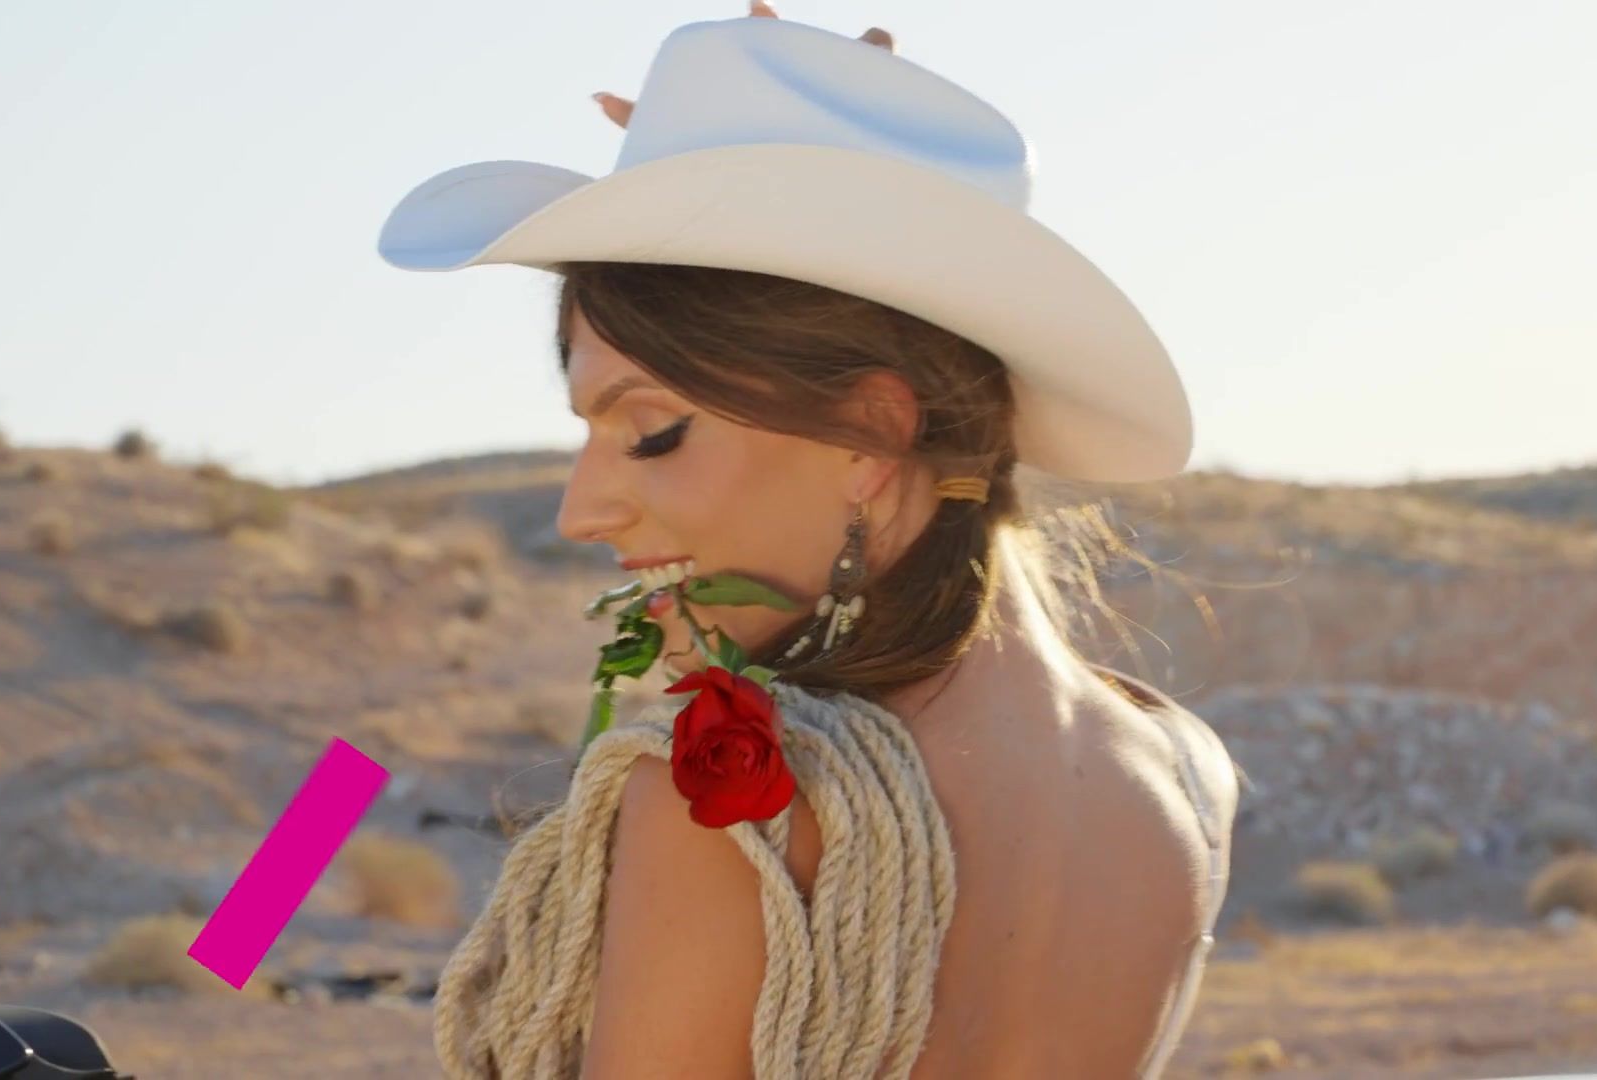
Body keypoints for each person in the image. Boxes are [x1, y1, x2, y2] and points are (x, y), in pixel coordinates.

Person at [377, 4, 1240, 1077]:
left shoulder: (735, 802)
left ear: (872, 430)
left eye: (652, 432)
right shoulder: (1183, 770)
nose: (580, 513)